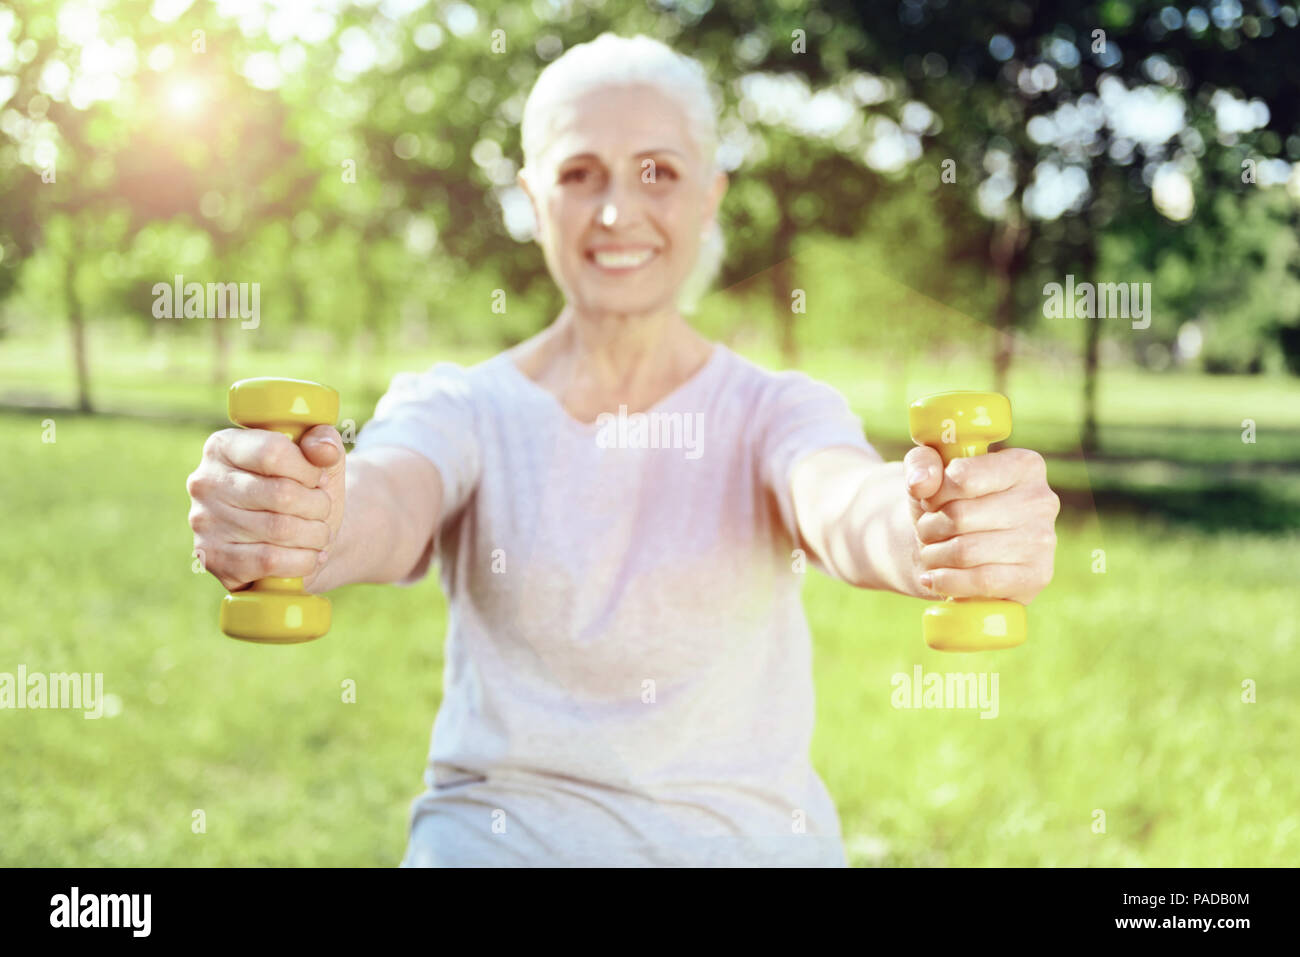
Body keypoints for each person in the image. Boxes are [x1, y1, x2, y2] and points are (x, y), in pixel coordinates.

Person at [185, 33, 1059, 867]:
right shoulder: (461, 405)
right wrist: (302, 517)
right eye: (578, 174)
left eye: (658, 173)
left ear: (710, 195)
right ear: (534, 198)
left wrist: (935, 528)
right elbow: (381, 499)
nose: (616, 212)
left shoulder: (772, 409)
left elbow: (845, 502)